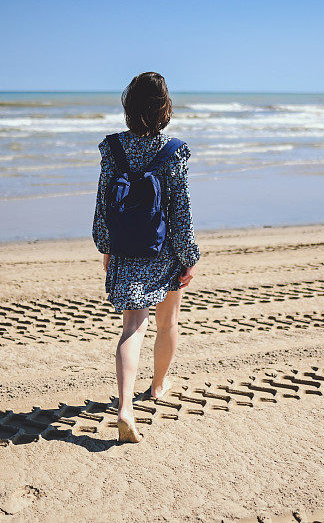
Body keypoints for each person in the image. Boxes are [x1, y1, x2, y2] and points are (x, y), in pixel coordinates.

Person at [92, 72, 200, 443]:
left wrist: (106, 248)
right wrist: (188, 257)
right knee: (167, 322)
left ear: (128, 106)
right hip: (164, 251)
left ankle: (125, 407)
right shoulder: (173, 150)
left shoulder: (112, 148)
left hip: (125, 248)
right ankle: (157, 386)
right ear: (164, 109)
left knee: (132, 327)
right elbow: (180, 211)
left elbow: (103, 203)